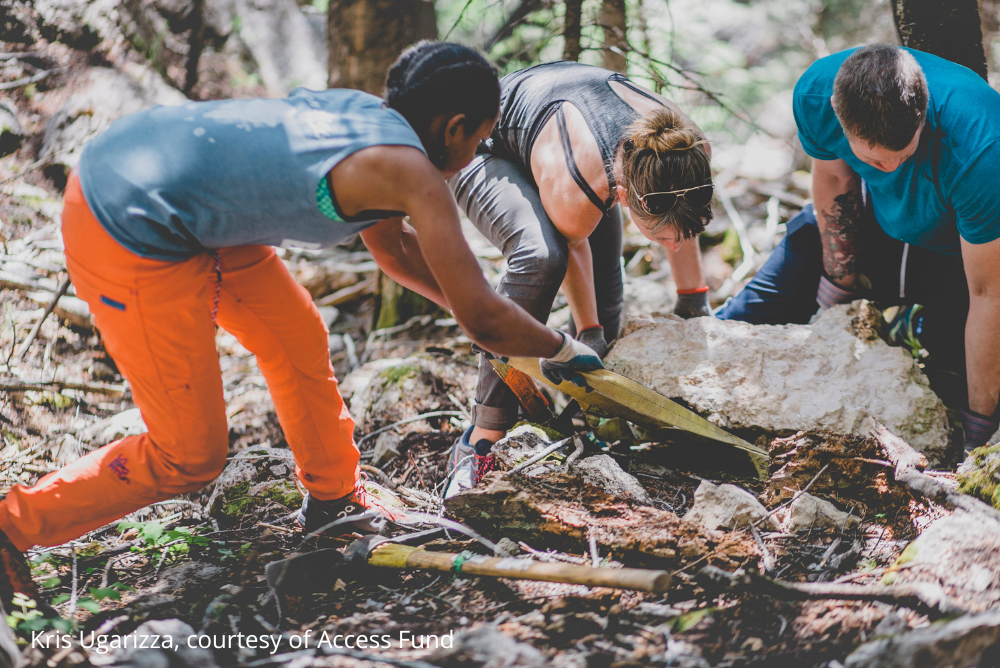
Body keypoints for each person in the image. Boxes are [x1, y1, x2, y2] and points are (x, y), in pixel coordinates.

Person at [0, 42, 604, 608]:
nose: (475, 154)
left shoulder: (374, 122)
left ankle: (334, 499)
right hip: (126, 221)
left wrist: (488, 313)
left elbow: (396, 254)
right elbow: (480, 316)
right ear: (452, 128)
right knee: (188, 455)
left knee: (294, 336)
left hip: (179, 198)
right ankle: (11, 527)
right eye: (478, 138)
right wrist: (559, 347)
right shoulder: (411, 172)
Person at [428, 61, 715, 497]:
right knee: (541, 257)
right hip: (480, 147)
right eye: (661, 238)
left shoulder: (689, 152)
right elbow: (573, 247)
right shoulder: (579, 188)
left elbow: (683, 216)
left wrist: (693, 302)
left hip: (567, 144)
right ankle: (478, 439)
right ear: (621, 196)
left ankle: (584, 420)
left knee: (611, 314)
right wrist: (588, 332)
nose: (673, 246)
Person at [717, 43, 1000, 452]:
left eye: (903, 155)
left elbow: (988, 294)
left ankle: (911, 328)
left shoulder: (982, 147)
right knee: (754, 314)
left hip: (958, 250)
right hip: (875, 216)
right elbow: (834, 182)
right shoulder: (816, 94)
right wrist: (840, 287)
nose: (889, 167)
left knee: (954, 366)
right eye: (874, 159)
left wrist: (980, 432)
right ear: (838, 113)